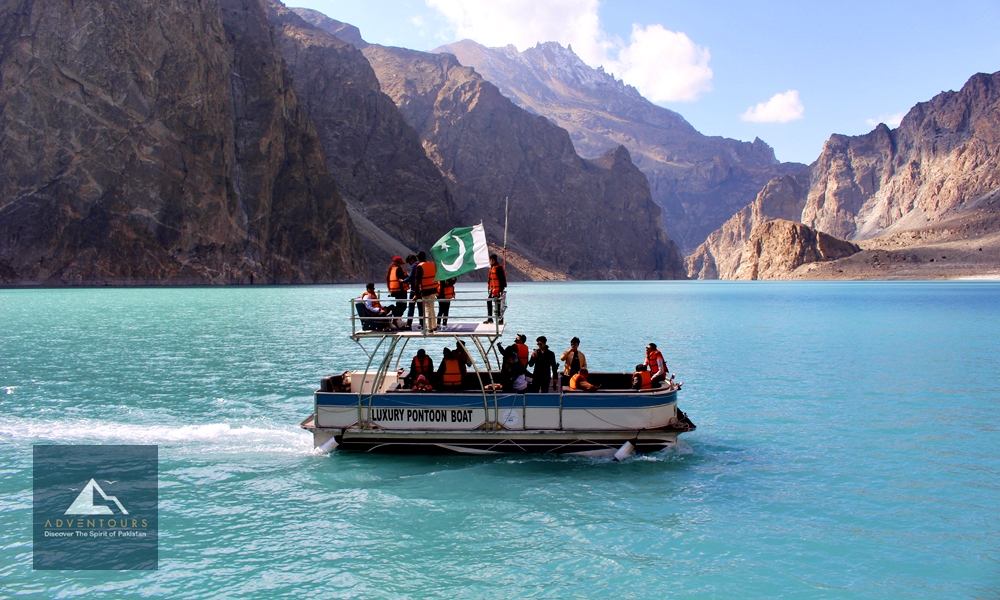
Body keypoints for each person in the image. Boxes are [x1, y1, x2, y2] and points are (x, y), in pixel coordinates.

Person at [385, 256, 409, 329]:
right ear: (398, 263)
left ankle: (397, 320)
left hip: (395, 291)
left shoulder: (391, 269)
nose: (401, 265)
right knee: (403, 306)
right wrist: (408, 275)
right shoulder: (398, 269)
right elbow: (403, 279)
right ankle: (397, 320)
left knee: (399, 305)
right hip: (401, 291)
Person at [417, 251, 438, 332]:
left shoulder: (420, 267)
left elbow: (417, 281)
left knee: (428, 309)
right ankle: (434, 325)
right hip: (434, 289)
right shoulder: (432, 264)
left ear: (418, 258)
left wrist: (416, 293)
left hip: (425, 291)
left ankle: (430, 328)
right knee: (432, 308)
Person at [402, 254, 424, 330]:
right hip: (421, 289)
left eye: (409, 262)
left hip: (414, 289)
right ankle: (422, 324)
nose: (410, 264)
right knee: (421, 307)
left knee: (411, 307)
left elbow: (411, 277)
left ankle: (409, 324)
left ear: (412, 260)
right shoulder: (421, 265)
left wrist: (403, 281)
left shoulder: (414, 266)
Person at [484, 254, 506, 324]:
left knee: (498, 303)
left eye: (492, 260)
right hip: (492, 289)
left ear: (495, 260)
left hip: (498, 289)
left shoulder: (498, 267)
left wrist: (501, 289)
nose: (491, 261)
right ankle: (490, 318)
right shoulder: (492, 267)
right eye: (490, 260)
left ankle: (500, 318)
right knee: (489, 301)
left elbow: (502, 279)